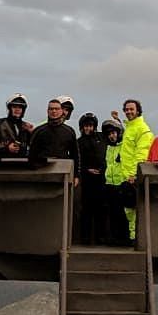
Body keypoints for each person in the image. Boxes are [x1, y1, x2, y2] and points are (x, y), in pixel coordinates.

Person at [115, 98, 153, 244]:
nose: (129, 112)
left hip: (133, 177)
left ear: (138, 111)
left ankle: (135, 239)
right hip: (125, 176)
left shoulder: (142, 129)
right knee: (128, 209)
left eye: (132, 109)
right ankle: (132, 238)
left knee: (133, 210)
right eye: (127, 109)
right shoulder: (130, 128)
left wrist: (134, 174)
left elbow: (141, 154)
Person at [75, 112, 106, 245]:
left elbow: (106, 156)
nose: (88, 129)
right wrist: (87, 170)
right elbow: (77, 160)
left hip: (101, 179)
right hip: (86, 179)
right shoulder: (78, 142)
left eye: (90, 126)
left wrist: (101, 170)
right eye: (86, 126)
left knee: (101, 209)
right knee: (86, 209)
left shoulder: (101, 138)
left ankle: (101, 237)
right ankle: (85, 238)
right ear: (82, 127)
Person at [27, 97, 79, 171]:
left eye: (57, 109)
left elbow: (75, 155)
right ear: (47, 111)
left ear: (61, 111)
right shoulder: (39, 131)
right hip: (42, 171)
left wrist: (76, 175)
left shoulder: (69, 131)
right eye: (51, 109)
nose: (54, 111)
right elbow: (31, 154)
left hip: (63, 171)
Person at [100, 119, 126, 244]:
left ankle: (124, 239)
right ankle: (114, 238)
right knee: (112, 214)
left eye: (114, 133)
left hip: (121, 184)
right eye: (109, 134)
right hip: (109, 184)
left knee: (123, 214)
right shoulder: (109, 148)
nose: (112, 136)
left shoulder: (124, 146)